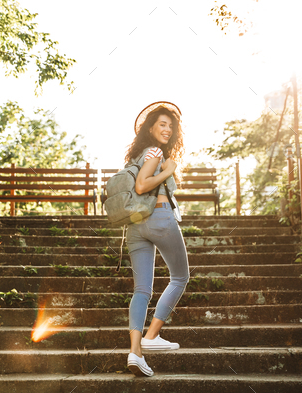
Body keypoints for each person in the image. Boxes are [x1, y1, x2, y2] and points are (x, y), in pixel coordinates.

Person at [124, 101, 190, 377]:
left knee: (142, 290)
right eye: (161, 123)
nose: (167, 128)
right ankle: (151, 336)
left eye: (170, 125)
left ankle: (135, 352)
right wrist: (167, 170)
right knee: (180, 277)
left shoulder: (137, 154)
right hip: (159, 218)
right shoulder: (154, 152)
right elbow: (142, 185)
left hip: (136, 225)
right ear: (149, 128)